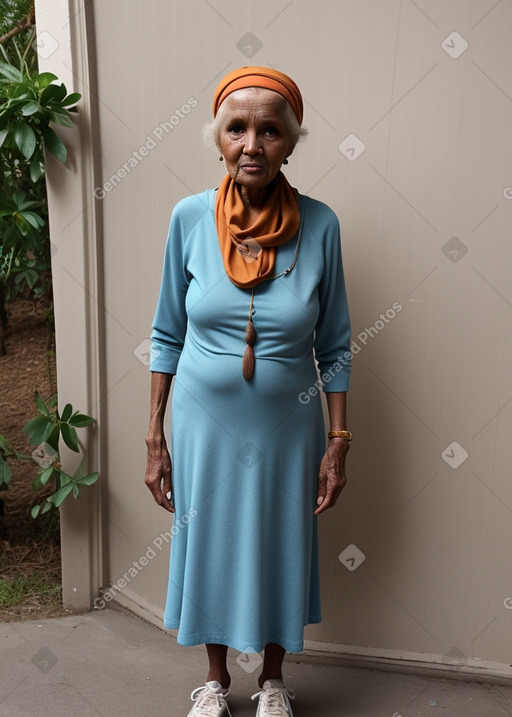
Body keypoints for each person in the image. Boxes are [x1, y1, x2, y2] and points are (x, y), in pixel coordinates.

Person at [145, 66, 352, 717]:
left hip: (289, 426)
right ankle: (214, 681)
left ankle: (271, 680)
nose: (252, 143)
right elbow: (165, 333)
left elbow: (337, 344)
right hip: (204, 422)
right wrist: (155, 433)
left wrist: (340, 440)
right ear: (219, 138)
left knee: (277, 542)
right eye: (237, 128)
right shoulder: (189, 218)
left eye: (270, 130)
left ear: (291, 142)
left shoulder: (320, 226)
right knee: (209, 540)